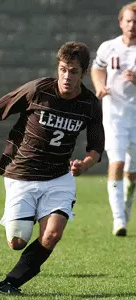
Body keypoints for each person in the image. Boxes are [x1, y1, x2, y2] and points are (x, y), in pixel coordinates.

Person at [0, 42, 105, 295]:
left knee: (52, 235)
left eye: (73, 72)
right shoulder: (38, 89)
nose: (67, 77)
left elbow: (96, 147)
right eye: (63, 70)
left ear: (83, 74)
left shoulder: (90, 104)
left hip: (58, 177)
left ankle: (10, 283)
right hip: (22, 173)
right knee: (17, 241)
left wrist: (85, 164)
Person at [91, 1, 136, 236]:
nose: (132, 25)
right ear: (121, 23)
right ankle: (118, 219)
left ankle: (125, 207)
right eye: (128, 21)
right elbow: (97, 68)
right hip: (114, 116)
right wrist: (100, 86)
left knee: (132, 172)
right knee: (116, 162)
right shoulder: (109, 47)